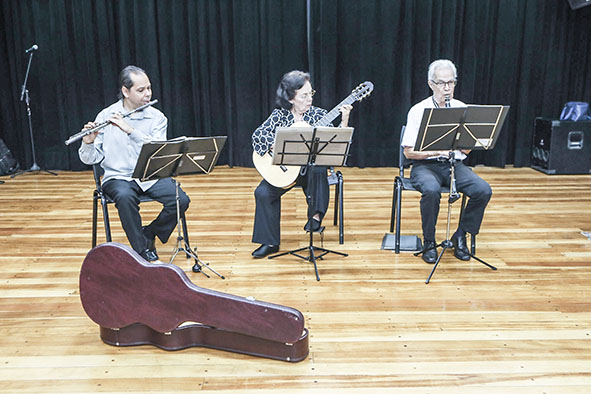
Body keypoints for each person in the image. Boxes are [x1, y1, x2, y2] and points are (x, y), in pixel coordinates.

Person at [78, 65, 190, 262]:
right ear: (125, 91)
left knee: (180, 199)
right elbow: (91, 159)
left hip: (150, 174)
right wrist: (87, 143)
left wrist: (130, 130)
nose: (147, 94)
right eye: (141, 90)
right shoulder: (106, 116)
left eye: (149, 88)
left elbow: (158, 150)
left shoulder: (157, 118)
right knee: (124, 196)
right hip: (118, 176)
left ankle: (149, 234)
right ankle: (141, 252)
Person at [251, 70, 352, 258]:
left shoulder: (319, 115)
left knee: (319, 168)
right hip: (285, 171)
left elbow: (336, 145)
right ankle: (269, 242)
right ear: (291, 98)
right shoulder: (279, 116)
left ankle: (315, 216)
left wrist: (344, 122)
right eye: (304, 95)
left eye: (310, 94)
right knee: (262, 193)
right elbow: (257, 136)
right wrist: (275, 144)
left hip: (311, 174)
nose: (309, 99)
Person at [401, 59, 492, 264]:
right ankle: (429, 242)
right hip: (425, 166)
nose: (447, 88)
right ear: (431, 84)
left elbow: (467, 149)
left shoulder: (461, 108)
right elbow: (409, 153)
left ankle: (460, 235)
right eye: (442, 83)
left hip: (454, 165)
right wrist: (436, 150)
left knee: (483, 190)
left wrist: (473, 142)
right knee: (431, 190)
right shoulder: (418, 110)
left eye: (451, 83)